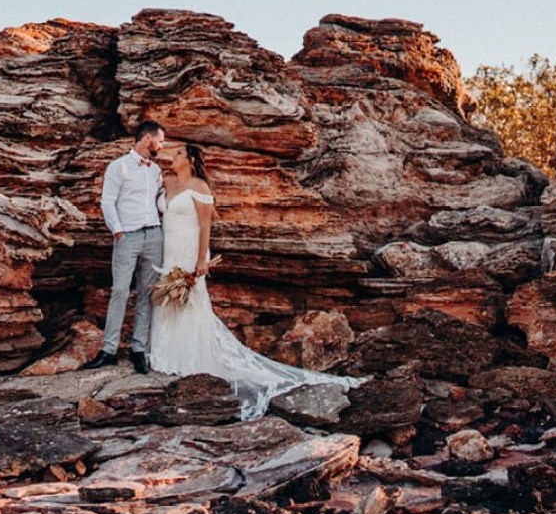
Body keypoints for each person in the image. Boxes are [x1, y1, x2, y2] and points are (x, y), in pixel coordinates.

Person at [149, 142, 362, 420]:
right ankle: (164, 352)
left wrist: (201, 260)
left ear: (190, 160)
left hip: (188, 250)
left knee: (191, 303)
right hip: (169, 249)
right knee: (167, 300)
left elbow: (205, 227)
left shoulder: (200, 187)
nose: (172, 157)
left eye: (178, 154)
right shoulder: (167, 181)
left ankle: (187, 357)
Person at [83, 120, 166, 374]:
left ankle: (139, 349)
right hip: (127, 237)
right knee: (119, 290)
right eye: (160, 140)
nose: (162, 146)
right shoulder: (118, 167)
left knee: (146, 293)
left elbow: (159, 200)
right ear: (146, 139)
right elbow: (107, 202)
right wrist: (118, 232)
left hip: (154, 235)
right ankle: (109, 349)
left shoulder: (155, 171)